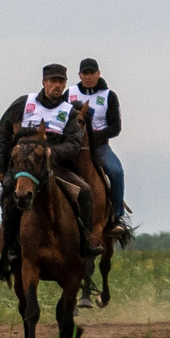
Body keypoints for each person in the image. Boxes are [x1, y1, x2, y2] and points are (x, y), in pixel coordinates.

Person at [0, 63, 102, 281]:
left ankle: (85, 244)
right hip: (24, 167)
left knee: (86, 191)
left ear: (65, 84)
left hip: (55, 168)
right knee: (9, 198)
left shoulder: (68, 112)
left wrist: (50, 151)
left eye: (61, 81)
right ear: (44, 82)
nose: (57, 85)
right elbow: (1, 133)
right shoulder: (24, 103)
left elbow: (73, 144)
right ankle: (10, 249)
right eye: (52, 81)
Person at [68, 57, 127, 231]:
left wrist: (94, 137)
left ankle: (117, 216)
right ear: (79, 75)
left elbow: (115, 127)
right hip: (72, 147)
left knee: (116, 172)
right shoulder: (70, 94)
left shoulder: (109, 96)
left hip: (99, 147)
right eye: (85, 73)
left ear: (98, 73)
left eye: (91, 73)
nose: (88, 77)